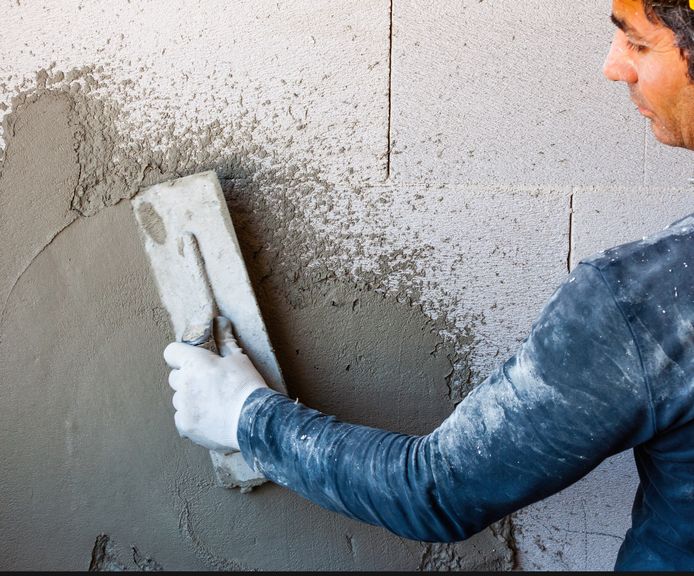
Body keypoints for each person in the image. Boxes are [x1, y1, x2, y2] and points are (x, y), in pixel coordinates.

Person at [163, 0, 694, 570]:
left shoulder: (648, 304)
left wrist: (243, 416)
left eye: (638, 43)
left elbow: (437, 490)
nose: (614, 67)